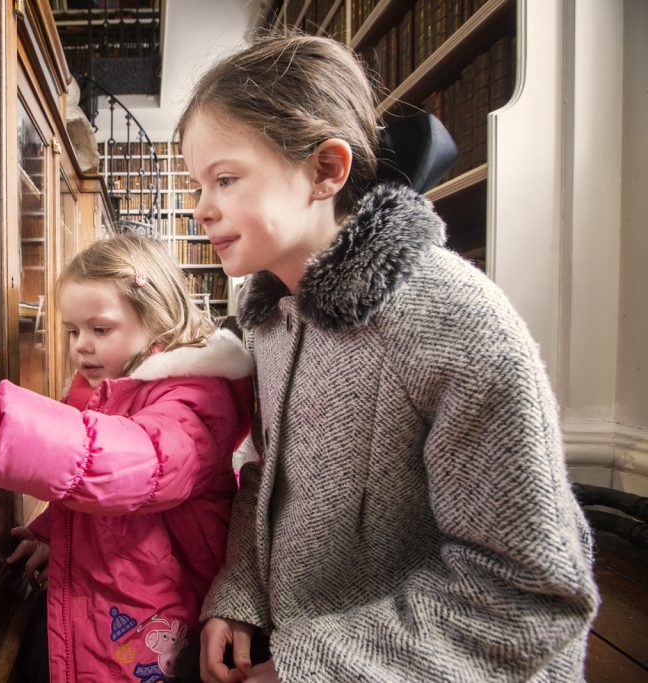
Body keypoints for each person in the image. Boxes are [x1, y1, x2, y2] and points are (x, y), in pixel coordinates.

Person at [176, 33, 600, 682]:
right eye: (196, 184)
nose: (200, 209)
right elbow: (267, 477)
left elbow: (533, 594)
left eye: (225, 179)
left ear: (325, 170)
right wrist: (237, 595)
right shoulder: (270, 321)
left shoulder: (453, 318)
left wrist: (305, 669)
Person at [0, 233, 255, 682]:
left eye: (100, 329)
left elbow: (135, 463)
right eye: (73, 331)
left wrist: (1, 424)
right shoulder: (106, 386)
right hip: (111, 599)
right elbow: (90, 484)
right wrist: (54, 533)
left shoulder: (195, 396)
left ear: (157, 322)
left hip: (157, 618)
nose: (80, 345)